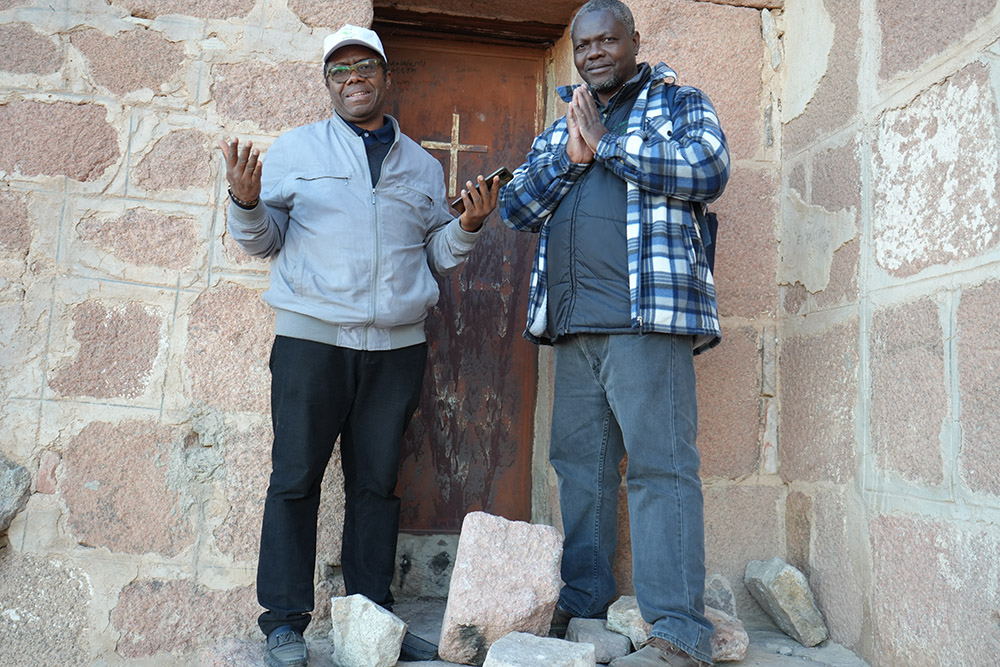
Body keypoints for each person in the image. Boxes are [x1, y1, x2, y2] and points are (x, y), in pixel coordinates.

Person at [219, 24, 500, 667]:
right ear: (327, 84)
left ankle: (371, 619)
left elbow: (435, 253)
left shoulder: (423, 167)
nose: (353, 79)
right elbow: (263, 242)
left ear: (384, 76)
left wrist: (470, 226)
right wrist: (245, 201)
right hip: (311, 344)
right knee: (294, 480)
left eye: (364, 67)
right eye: (339, 70)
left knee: (376, 484)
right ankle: (284, 624)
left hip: (397, 350)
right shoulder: (295, 151)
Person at [499, 1, 729, 665]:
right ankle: (588, 595)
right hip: (574, 326)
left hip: (646, 322)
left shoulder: (678, 101)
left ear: (633, 41)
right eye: (585, 43)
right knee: (580, 469)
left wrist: (609, 145)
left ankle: (680, 629)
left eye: (608, 39)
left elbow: (707, 169)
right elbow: (517, 206)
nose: (595, 51)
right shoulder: (564, 118)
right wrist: (572, 154)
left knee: (662, 469)